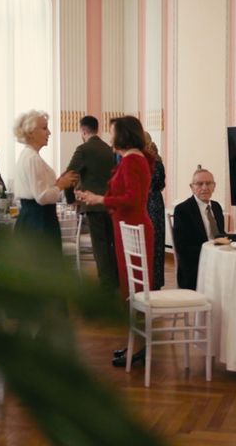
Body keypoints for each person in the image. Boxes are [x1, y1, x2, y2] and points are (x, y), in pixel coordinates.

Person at [76, 116, 154, 367]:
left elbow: (131, 198)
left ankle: (140, 346)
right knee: (130, 290)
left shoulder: (132, 160)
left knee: (136, 291)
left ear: (123, 134)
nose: (109, 136)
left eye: (112, 132)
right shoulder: (131, 158)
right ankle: (136, 344)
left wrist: (99, 200)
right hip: (128, 228)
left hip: (134, 228)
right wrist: (95, 196)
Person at [64, 115, 119, 289]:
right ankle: (115, 283)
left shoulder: (83, 149)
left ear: (83, 130)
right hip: (111, 204)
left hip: (93, 205)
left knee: (100, 247)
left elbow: (70, 175)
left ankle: (105, 288)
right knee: (112, 246)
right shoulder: (109, 149)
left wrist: (70, 199)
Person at [13, 110, 78, 249]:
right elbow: (42, 197)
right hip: (39, 222)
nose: (49, 133)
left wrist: (56, 183)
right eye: (44, 128)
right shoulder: (33, 159)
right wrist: (60, 185)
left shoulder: (27, 155)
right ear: (31, 132)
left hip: (33, 218)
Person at [172, 168, 226, 291]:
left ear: (214, 186)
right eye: (199, 184)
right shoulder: (182, 210)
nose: (205, 187)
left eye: (208, 183)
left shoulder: (216, 207)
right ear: (192, 187)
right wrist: (210, 253)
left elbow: (220, 236)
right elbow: (182, 247)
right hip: (195, 267)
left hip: (218, 261)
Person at [144, 131, 165, 290]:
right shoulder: (158, 160)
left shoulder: (146, 161)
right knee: (157, 244)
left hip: (148, 202)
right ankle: (155, 283)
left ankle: (148, 283)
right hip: (157, 202)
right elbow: (161, 184)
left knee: (149, 242)